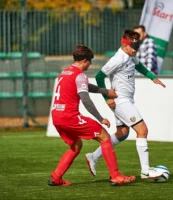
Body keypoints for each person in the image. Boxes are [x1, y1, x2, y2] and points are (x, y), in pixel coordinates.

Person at [48, 45, 136, 186]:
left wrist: (105, 92)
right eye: (90, 61)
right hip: (69, 117)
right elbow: (85, 99)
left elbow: (86, 86)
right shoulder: (80, 75)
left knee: (76, 145)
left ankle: (55, 177)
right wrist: (100, 118)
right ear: (84, 60)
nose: (90, 64)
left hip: (57, 117)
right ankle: (116, 176)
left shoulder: (65, 72)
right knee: (105, 137)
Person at [85, 30, 166, 179]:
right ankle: (146, 170)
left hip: (127, 99)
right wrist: (106, 98)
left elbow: (139, 66)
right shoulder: (118, 59)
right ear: (124, 45)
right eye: (133, 48)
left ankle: (93, 156)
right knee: (142, 130)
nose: (136, 51)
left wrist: (152, 77)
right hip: (120, 100)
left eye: (137, 48)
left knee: (122, 133)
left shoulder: (130, 56)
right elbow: (99, 76)